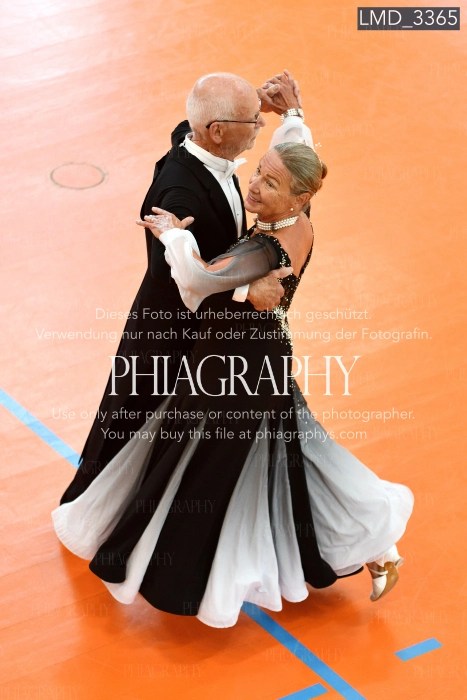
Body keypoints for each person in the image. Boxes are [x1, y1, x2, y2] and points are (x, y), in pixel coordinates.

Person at [52, 141, 414, 628]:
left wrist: (172, 235)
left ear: (300, 197)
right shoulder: (298, 220)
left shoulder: (263, 248)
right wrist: (293, 116)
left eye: (270, 183)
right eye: (259, 172)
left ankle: (197, 572)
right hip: (251, 361)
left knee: (214, 464)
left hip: (235, 372)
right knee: (292, 458)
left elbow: (199, 280)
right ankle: (376, 547)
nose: (255, 186)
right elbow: (298, 162)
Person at [59, 70, 309, 506]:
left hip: (206, 335)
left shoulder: (193, 139)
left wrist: (267, 107)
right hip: (167, 334)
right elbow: (168, 274)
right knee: (131, 420)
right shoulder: (179, 199)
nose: (260, 124)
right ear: (217, 131)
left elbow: (195, 126)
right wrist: (244, 291)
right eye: (252, 119)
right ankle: (95, 504)